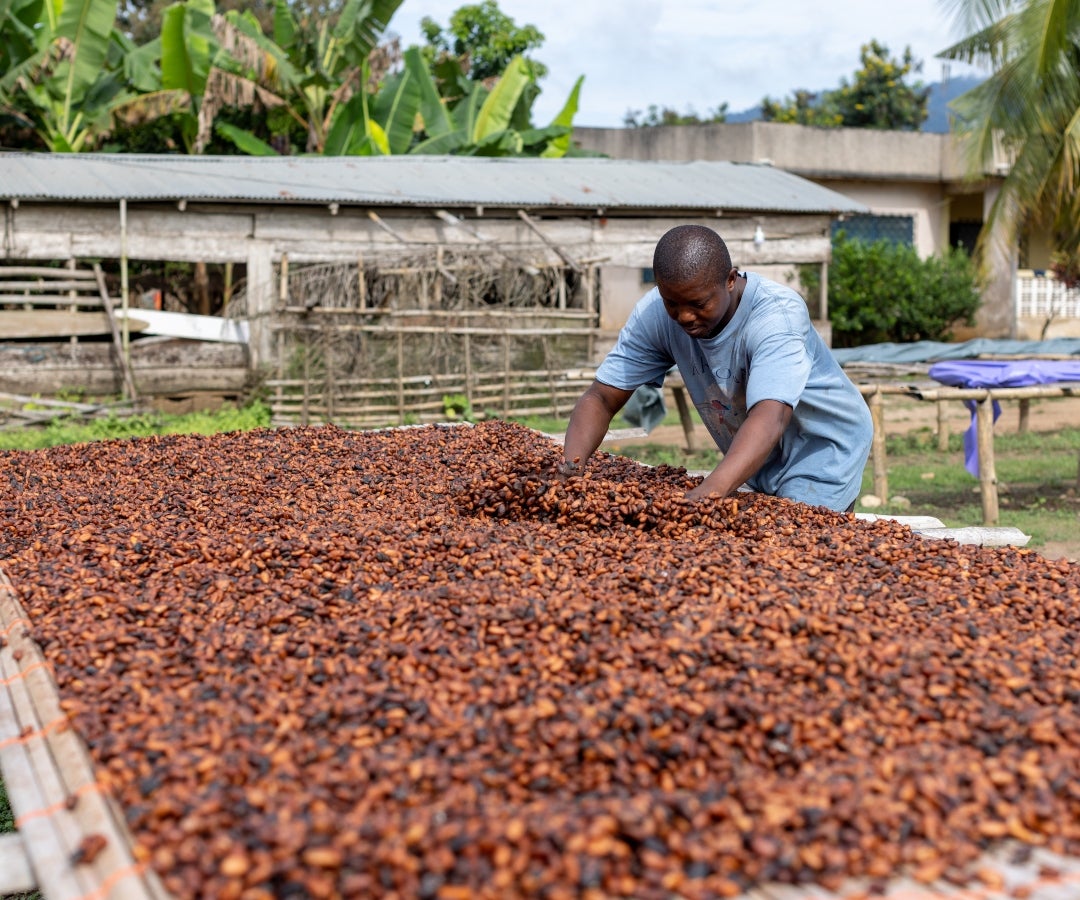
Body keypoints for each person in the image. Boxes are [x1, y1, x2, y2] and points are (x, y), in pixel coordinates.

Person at [558, 224, 873, 512]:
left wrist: (707, 493)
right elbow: (601, 398)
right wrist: (570, 471)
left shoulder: (777, 317)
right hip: (761, 451)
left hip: (822, 445)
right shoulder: (655, 313)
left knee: (799, 544)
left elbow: (770, 416)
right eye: (672, 303)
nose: (684, 317)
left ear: (731, 280)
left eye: (698, 304)